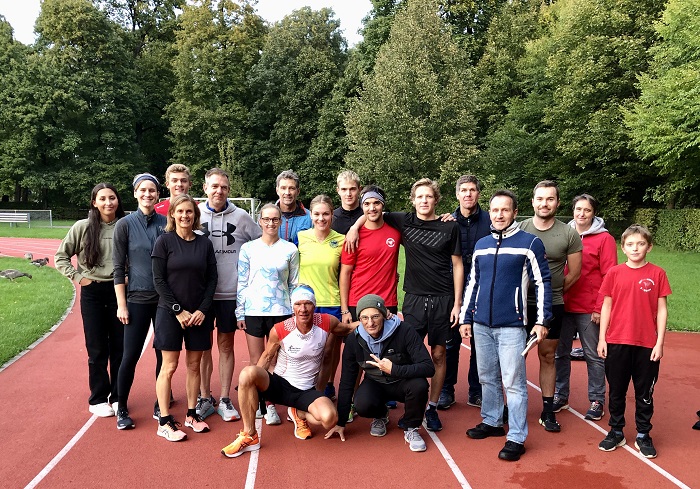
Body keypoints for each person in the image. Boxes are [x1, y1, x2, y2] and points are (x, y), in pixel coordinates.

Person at [347, 178, 463, 432]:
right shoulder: (404, 221)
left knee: (439, 354)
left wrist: (457, 303)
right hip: (414, 298)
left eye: (428, 197)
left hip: (443, 299)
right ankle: (408, 400)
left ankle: (431, 407)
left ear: (436, 200)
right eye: (419, 196)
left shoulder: (450, 227)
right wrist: (355, 226)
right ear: (412, 200)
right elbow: (371, 209)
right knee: (408, 352)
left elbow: (457, 265)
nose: (424, 201)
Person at [460, 189, 552, 462]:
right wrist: (466, 317)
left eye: (505, 210)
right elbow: (472, 283)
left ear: (514, 212)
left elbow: (542, 282)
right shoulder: (482, 245)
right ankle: (491, 421)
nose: (499, 214)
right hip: (481, 324)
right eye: (495, 210)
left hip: (512, 325)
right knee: (487, 377)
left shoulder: (530, 243)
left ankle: (516, 436)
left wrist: (542, 320)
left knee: (513, 382)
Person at [220, 285, 357, 458]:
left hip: (306, 391)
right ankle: (250, 435)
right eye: (298, 304)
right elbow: (267, 356)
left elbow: (348, 329)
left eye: (307, 304)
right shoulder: (281, 329)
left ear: (314, 306)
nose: (303, 309)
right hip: (280, 384)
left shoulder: (327, 322)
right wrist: (249, 385)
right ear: (292, 307)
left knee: (330, 418)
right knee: (247, 373)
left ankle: (297, 412)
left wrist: (382, 317)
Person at [597, 224, 671, 459]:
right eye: (630, 244)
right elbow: (606, 306)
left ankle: (643, 434)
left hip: (646, 344)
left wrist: (659, 342)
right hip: (616, 341)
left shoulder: (657, 273)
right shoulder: (614, 273)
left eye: (640, 244)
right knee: (617, 390)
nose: (635, 248)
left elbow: (661, 310)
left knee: (644, 393)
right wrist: (602, 338)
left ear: (649, 247)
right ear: (623, 247)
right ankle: (616, 431)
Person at [325, 294, 434, 452]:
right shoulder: (354, 340)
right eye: (365, 318)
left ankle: (411, 428)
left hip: (403, 382)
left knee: (420, 386)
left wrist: (395, 369)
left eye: (375, 316)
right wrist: (341, 421)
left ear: (384, 315)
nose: (370, 323)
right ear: (359, 319)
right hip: (376, 383)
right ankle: (381, 414)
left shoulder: (404, 330)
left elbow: (428, 367)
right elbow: (347, 381)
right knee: (362, 404)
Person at [196, 168, 262, 423]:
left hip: (229, 294)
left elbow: (260, 242)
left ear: (229, 190)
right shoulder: (194, 213)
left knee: (225, 345)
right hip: (201, 296)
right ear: (205, 188)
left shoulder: (242, 216)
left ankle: (224, 398)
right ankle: (204, 396)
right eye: (214, 186)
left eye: (223, 187)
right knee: (202, 348)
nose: (219, 191)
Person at [55, 183, 126, 418]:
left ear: (118, 201)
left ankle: (117, 396)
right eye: (103, 199)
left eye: (112, 198)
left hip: (119, 292)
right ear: (94, 202)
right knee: (97, 349)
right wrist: (78, 278)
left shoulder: (125, 226)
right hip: (93, 293)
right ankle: (97, 397)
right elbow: (61, 256)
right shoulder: (82, 227)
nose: (108, 203)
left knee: (119, 348)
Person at [151, 194, 218, 441]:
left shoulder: (204, 244)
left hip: (199, 315)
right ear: (172, 215)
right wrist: (178, 310)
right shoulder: (164, 242)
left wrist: (202, 309)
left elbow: (212, 279)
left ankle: (192, 414)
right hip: (170, 314)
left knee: (193, 366)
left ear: (195, 216)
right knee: (169, 366)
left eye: (189, 212)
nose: (185, 216)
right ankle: (165, 421)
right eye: (180, 212)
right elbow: (159, 280)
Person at [520, 180, 582, 432]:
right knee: (515, 357)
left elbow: (574, 273)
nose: (544, 204)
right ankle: (513, 407)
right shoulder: (520, 228)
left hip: (551, 306)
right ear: (533, 201)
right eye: (540, 199)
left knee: (547, 356)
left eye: (550, 199)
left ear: (557, 202)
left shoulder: (568, 233)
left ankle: (547, 410)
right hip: (520, 305)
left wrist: (551, 295)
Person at [554, 194, 617, 421]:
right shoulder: (564, 233)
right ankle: (560, 395)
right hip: (562, 304)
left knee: (593, 355)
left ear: (594, 213)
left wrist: (600, 308)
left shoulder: (604, 239)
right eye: (578, 209)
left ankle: (597, 399)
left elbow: (610, 276)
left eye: (587, 210)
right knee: (560, 353)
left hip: (589, 308)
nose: (581, 214)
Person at [113, 173, 167, 430]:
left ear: (158, 195)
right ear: (135, 193)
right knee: (130, 355)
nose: (148, 194)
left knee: (163, 354)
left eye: (152, 190)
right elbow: (117, 267)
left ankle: (161, 402)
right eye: (143, 190)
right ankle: (121, 406)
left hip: (163, 300)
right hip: (135, 298)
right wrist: (121, 304)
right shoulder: (124, 225)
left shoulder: (166, 223)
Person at [237, 202, 299, 425]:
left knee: (277, 361)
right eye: (267, 219)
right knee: (257, 361)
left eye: (275, 219)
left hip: (281, 311)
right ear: (260, 221)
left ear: (280, 222)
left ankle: (279, 403)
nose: (271, 223)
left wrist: (294, 312)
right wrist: (240, 312)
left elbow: (294, 283)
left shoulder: (290, 249)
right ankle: (264, 405)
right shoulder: (248, 249)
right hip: (254, 311)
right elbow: (242, 282)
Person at [439, 175, 491, 410]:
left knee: (480, 344)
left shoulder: (490, 221)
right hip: (453, 292)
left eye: (472, 190)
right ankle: (446, 390)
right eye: (464, 190)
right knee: (450, 344)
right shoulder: (447, 221)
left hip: (483, 290)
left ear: (479, 194)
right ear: (457, 194)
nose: (468, 194)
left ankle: (476, 391)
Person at [298, 194, 345, 398]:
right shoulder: (300, 238)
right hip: (306, 305)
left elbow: (347, 275)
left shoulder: (341, 240)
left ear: (332, 215)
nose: (321, 218)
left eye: (325, 213)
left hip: (332, 302)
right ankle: (306, 386)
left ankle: (328, 384)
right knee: (307, 351)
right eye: (316, 214)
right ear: (311, 215)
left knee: (329, 352)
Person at [275, 169, 311, 245]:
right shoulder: (267, 216)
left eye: (291, 188)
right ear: (277, 190)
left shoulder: (310, 217)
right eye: (283, 188)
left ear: (298, 191)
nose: (287, 193)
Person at [331, 170, 363, 235]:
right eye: (344, 189)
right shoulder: (331, 218)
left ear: (359, 190)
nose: (348, 194)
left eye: (352, 189)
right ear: (338, 190)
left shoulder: (369, 215)